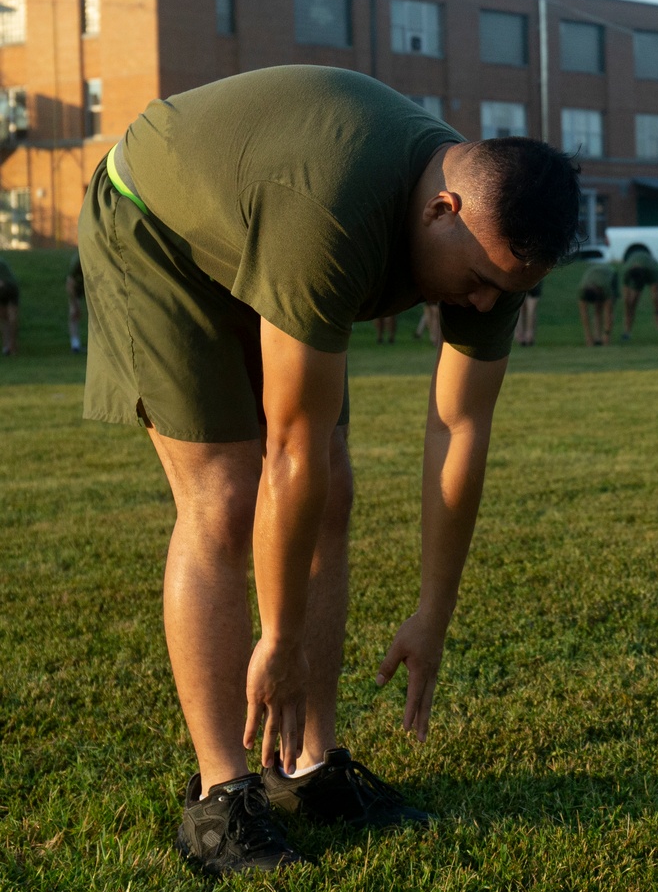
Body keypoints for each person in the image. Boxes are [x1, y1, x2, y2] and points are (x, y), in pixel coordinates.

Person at [78, 65, 581, 875]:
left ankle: (307, 770)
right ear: (440, 210)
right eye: (481, 282)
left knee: (335, 492)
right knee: (229, 496)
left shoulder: (494, 247)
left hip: (260, 224)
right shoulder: (329, 210)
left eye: (509, 293)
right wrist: (275, 638)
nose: (485, 306)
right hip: (155, 227)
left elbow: (461, 426)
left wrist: (432, 613)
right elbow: (291, 450)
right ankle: (221, 798)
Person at [620, 247, 658, 341]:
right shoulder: (627, 271)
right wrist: (628, 310)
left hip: (651, 270)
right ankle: (627, 333)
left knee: (657, 301)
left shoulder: (653, 269)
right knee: (631, 303)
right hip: (637, 272)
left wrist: (657, 311)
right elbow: (626, 296)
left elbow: (655, 292)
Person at [577, 263, 618, 346]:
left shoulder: (605, 287)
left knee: (606, 310)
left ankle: (605, 338)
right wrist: (588, 336)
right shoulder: (581, 291)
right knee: (597, 310)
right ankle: (597, 338)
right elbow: (584, 315)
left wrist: (607, 334)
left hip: (610, 274)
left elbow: (608, 312)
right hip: (594, 272)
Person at [67, 251, 87, 353]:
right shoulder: (79, 260)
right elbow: (70, 283)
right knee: (73, 313)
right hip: (78, 288)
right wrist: (75, 303)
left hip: (92, 286)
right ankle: (75, 345)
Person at [0, 256, 20, 356]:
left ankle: (8, 346)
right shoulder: (2, 262)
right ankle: (10, 346)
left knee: (6, 319)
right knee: (9, 318)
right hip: (12, 287)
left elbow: (2, 283)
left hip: (6, 288)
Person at [514, 279, 542, 346]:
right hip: (535, 279)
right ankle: (528, 335)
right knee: (531, 310)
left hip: (524, 279)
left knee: (524, 309)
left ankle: (521, 334)